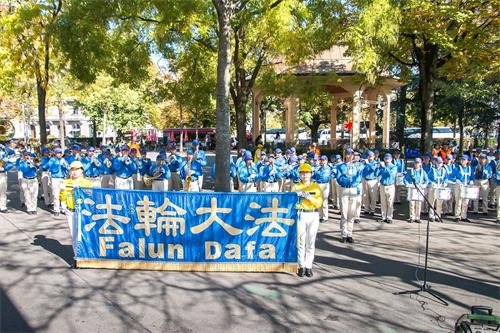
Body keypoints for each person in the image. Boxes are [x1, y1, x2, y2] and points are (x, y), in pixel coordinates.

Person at [292, 163, 322, 278]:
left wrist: (309, 197)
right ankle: (301, 266)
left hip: (313, 214)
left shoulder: (315, 186)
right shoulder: (296, 187)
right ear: (299, 175)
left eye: (306, 173)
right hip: (301, 214)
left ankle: (309, 266)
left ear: (310, 174)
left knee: (310, 242)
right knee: (301, 241)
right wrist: (298, 197)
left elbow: (319, 203)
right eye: (302, 173)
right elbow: (293, 203)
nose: (304, 175)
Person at [59, 161, 92, 254]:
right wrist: (62, 195)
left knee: (82, 234)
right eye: (72, 169)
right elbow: (63, 196)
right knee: (73, 234)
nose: (74, 172)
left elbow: (89, 197)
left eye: (77, 169)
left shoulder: (86, 183)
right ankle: (77, 255)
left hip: (82, 211)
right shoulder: (66, 182)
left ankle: (85, 254)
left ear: (82, 171)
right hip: (70, 211)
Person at [336, 149, 362, 243]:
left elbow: (359, 177)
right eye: (347, 154)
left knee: (351, 212)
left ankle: (349, 234)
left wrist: (354, 182)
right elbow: (338, 178)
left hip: (353, 189)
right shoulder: (341, 166)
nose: (350, 156)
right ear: (345, 155)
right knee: (344, 212)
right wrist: (346, 181)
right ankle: (343, 233)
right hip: (344, 188)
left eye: (351, 154)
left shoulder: (356, 166)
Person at [403, 157, 429, 223]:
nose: (416, 164)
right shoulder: (411, 171)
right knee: (412, 204)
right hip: (412, 188)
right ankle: (412, 217)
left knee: (418, 204)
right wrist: (408, 184)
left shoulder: (423, 172)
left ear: (420, 163)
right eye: (415, 163)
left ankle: (417, 217)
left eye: (418, 163)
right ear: (414, 163)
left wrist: (424, 185)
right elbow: (405, 179)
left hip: (419, 188)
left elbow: (427, 180)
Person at [450, 155, 473, 222]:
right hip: (459, 186)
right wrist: (456, 180)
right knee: (459, 201)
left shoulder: (469, 168)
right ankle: (457, 216)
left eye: (464, 160)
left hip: (467, 187)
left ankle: (464, 216)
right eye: (462, 159)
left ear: (467, 161)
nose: (463, 161)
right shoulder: (457, 168)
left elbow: (472, 177)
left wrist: (471, 181)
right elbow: (451, 177)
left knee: (465, 202)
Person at [47, 147, 70, 216]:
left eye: (60, 153)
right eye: (58, 153)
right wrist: (58, 164)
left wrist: (65, 165)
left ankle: (63, 208)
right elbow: (51, 169)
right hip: (55, 179)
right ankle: (57, 209)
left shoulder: (63, 160)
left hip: (63, 178)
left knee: (63, 194)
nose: (59, 154)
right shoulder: (52, 160)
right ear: (55, 153)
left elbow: (68, 168)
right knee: (56, 195)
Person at [427, 156, 449, 222]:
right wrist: (431, 182)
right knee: (432, 201)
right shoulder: (432, 170)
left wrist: (445, 183)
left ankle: (438, 215)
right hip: (433, 186)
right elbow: (428, 178)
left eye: (440, 163)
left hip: (440, 186)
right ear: (435, 162)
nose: (439, 164)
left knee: (439, 202)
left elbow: (446, 178)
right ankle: (431, 215)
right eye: (438, 163)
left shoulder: (444, 170)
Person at [376, 153, 397, 223]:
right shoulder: (382, 166)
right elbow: (376, 174)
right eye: (385, 158)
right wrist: (377, 167)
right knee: (383, 202)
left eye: (388, 158)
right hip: (383, 185)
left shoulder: (393, 167)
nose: (386, 160)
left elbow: (390, 174)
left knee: (390, 202)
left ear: (391, 159)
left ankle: (389, 217)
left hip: (390, 185)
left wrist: (384, 167)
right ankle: (383, 216)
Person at [313, 155, 332, 222]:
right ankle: (319, 215)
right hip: (318, 184)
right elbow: (314, 176)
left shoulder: (329, 168)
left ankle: (324, 217)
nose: (322, 161)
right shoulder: (318, 168)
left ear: (326, 161)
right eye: (321, 160)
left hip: (325, 184)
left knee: (324, 201)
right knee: (318, 200)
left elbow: (330, 176)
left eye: (324, 160)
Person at [362, 151, 378, 216]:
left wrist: (368, 163)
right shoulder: (364, 163)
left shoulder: (375, 163)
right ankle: (366, 209)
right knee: (365, 195)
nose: (370, 157)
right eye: (368, 156)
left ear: (374, 156)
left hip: (372, 180)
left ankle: (372, 210)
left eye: (371, 156)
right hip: (365, 180)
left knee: (373, 196)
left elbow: (374, 169)